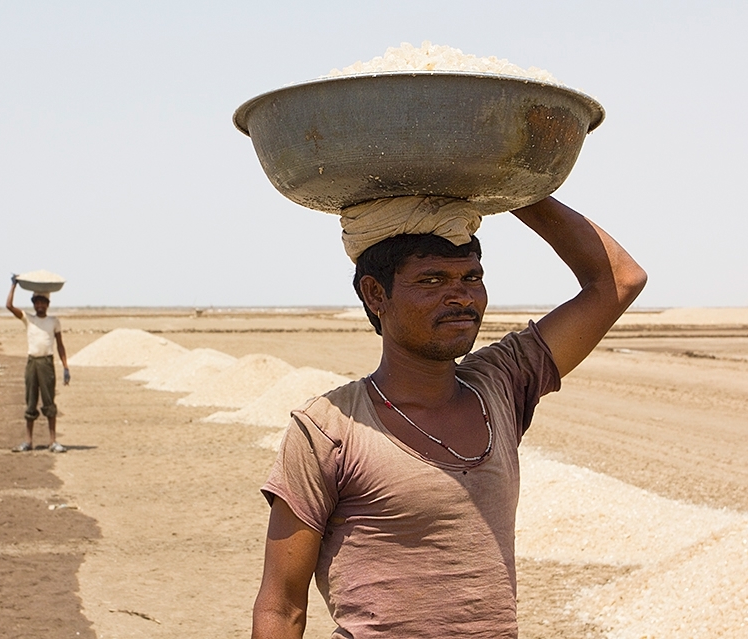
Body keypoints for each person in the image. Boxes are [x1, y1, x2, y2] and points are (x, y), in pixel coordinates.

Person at [251, 196, 647, 638]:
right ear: (375, 294)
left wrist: (514, 189)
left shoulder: (499, 386)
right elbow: (282, 606)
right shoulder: (328, 427)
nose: (460, 296)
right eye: (432, 279)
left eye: (471, 277)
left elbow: (619, 280)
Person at [5, 276, 70, 453]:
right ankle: (28, 441)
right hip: (32, 363)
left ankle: (53, 442)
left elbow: (60, 345)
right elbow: (9, 306)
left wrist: (65, 367)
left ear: (47, 304)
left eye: (43, 303)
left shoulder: (54, 322)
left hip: (47, 364)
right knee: (30, 402)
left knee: (49, 403)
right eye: (37, 303)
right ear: (33, 303)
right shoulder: (28, 319)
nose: (40, 306)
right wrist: (13, 286)